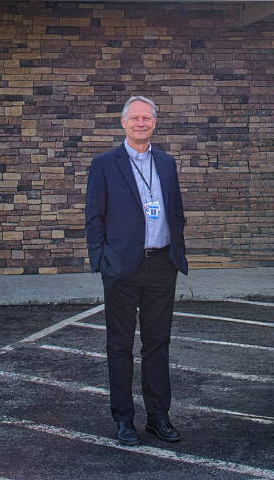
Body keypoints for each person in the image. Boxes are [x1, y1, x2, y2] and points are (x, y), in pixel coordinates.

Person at [84, 95, 189, 447]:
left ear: (155, 123)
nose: (141, 123)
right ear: (123, 123)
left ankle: (158, 418)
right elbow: (93, 217)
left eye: (147, 118)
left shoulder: (167, 162)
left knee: (158, 344)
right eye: (135, 118)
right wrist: (102, 260)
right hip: (122, 269)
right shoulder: (104, 164)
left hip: (161, 265)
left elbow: (175, 212)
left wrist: (176, 253)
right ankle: (124, 419)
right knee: (120, 345)